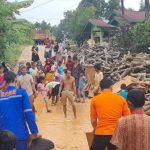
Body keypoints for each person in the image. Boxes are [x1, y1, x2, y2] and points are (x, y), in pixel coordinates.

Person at [0, 71, 39, 150]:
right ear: (15, 81)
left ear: (5, 82)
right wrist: (34, 132)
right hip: (20, 134)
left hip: (3, 136)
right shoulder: (21, 93)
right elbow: (28, 113)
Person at [90, 78, 130, 150]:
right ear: (111, 87)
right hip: (116, 134)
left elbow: (93, 120)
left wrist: (95, 129)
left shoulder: (94, 100)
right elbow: (127, 119)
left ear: (100, 87)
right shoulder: (121, 99)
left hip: (100, 133)